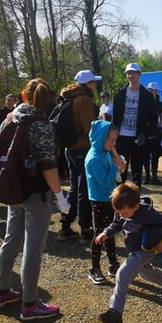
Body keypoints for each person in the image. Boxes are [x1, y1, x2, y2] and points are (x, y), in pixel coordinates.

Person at [0, 78, 71, 321]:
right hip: (35, 193)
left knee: (11, 239)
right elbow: (48, 166)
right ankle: (30, 304)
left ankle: (2, 291)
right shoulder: (41, 124)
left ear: (24, 96)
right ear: (48, 102)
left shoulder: (11, 117)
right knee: (33, 248)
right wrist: (60, 196)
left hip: (13, 188)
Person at [98, 183, 162, 323]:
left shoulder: (146, 213)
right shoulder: (122, 208)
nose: (121, 215)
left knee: (122, 275)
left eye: (124, 213)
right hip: (134, 249)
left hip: (144, 251)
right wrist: (106, 232)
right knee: (145, 272)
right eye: (118, 212)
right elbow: (117, 223)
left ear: (136, 206)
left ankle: (115, 311)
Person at [57, 69, 101, 241]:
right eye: (93, 82)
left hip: (70, 150)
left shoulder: (70, 97)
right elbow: (90, 130)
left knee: (75, 188)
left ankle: (66, 225)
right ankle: (85, 228)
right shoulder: (84, 100)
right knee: (84, 189)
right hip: (83, 149)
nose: (95, 86)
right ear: (87, 84)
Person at [85, 119, 127, 284]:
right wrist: (116, 167)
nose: (114, 143)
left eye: (115, 140)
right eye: (112, 140)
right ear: (101, 138)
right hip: (99, 201)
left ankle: (113, 264)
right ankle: (94, 269)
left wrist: (117, 161)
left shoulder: (106, 152)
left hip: (109, 199)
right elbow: (104, 181)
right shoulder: (94, 158)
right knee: (100, 235)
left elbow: (120, 171)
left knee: (110, 232)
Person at [112, 63, 158, 188]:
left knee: (137, 171)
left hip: (138, 138)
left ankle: (135, 201)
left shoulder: (147, 96)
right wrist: (113, 136)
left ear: (139, 74)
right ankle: (119, 201)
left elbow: (154, 119)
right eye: (128, 73)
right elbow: (115, 119)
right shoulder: (119, 94)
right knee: (121, 170)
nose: (131, 75)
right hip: (122, 137)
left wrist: (146, 134)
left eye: (134, 72)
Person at [144, 83, 162, 185]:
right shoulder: (144, 102)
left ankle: (155, 177)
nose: (150, 91)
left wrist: (158, 124)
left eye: (152, 90)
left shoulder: (159, 104)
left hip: (156, 132)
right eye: (149, 90)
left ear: (156, 91)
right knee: (145, 155)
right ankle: (147, 177)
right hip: (145, 132)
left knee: (155, 155)